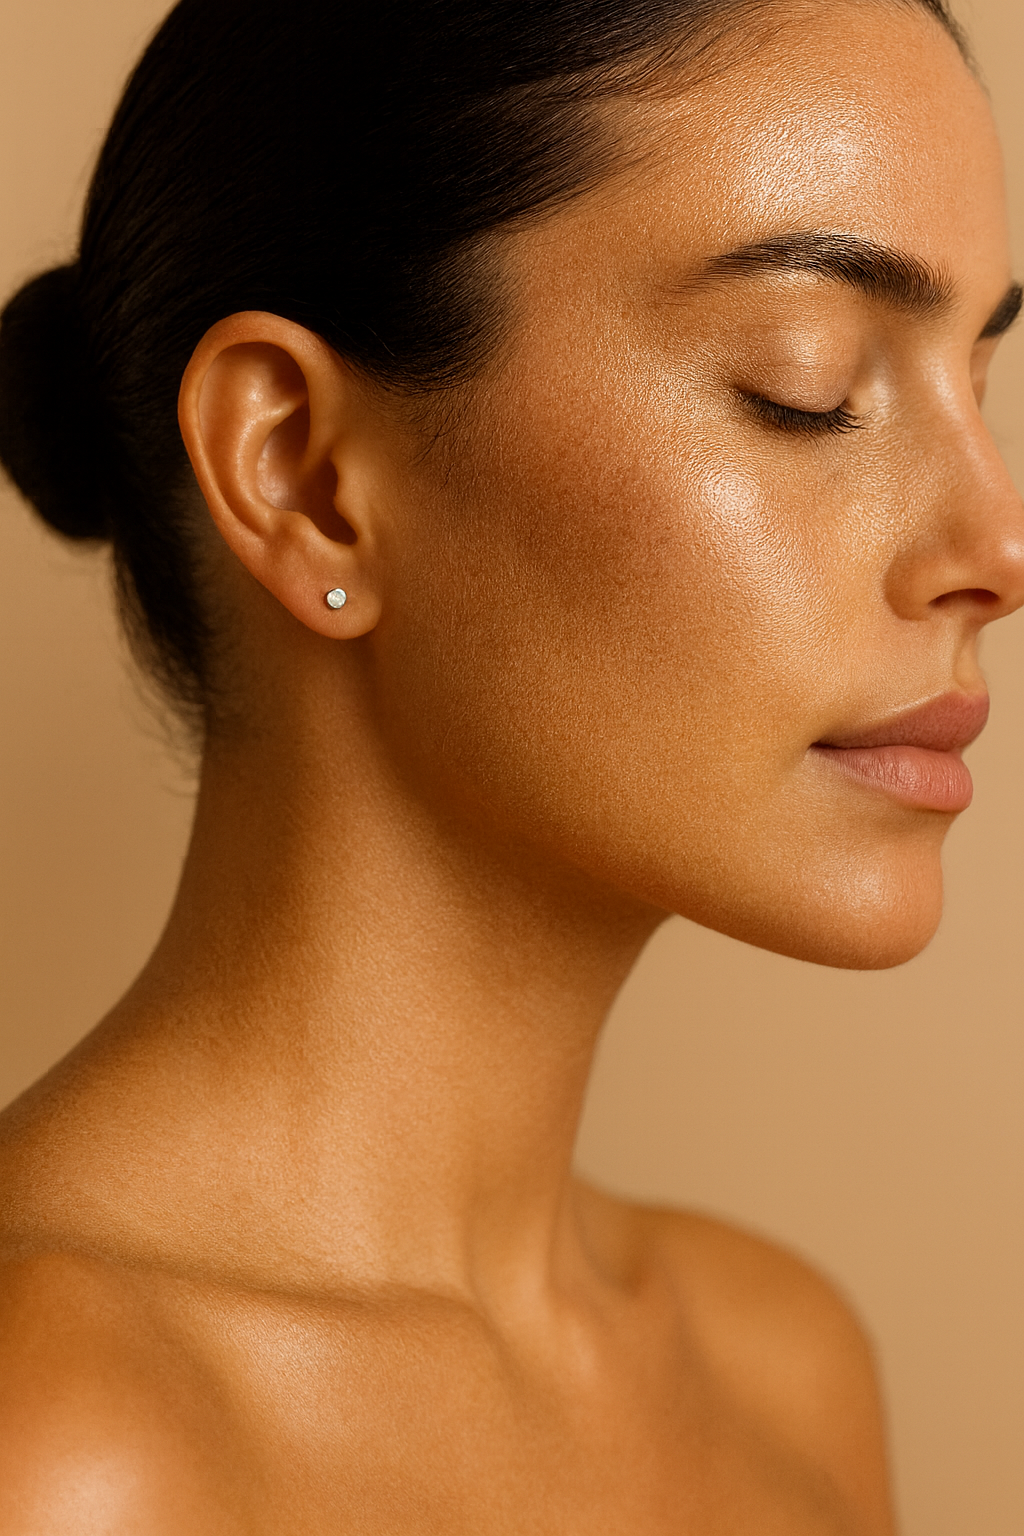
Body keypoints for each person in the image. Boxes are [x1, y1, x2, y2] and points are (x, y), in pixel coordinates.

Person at [0, 0, 1021, 1528]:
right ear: (303, 474)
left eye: (980, 386)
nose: (997, 549)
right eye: (806, 386)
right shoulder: (56, 1444)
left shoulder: (782, 1375)